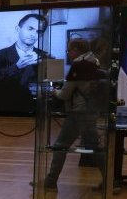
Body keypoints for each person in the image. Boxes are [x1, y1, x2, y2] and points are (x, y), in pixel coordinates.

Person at [42, 59, 108, 188]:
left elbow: (63, 95)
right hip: (91, 112)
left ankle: (51, 180)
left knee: (61, 146)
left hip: (77, 114)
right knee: (94, 147)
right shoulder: (96, 75)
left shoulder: (77, 75)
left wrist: (52, 90)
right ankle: (111, 180)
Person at [0, 13, 49, 112]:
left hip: (31, 110)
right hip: (0, 111)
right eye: (30, 29)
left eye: (38, 31)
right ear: (18, 29)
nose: (33, 35)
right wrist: (16, 66)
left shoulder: (44, 56)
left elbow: (51, 85)